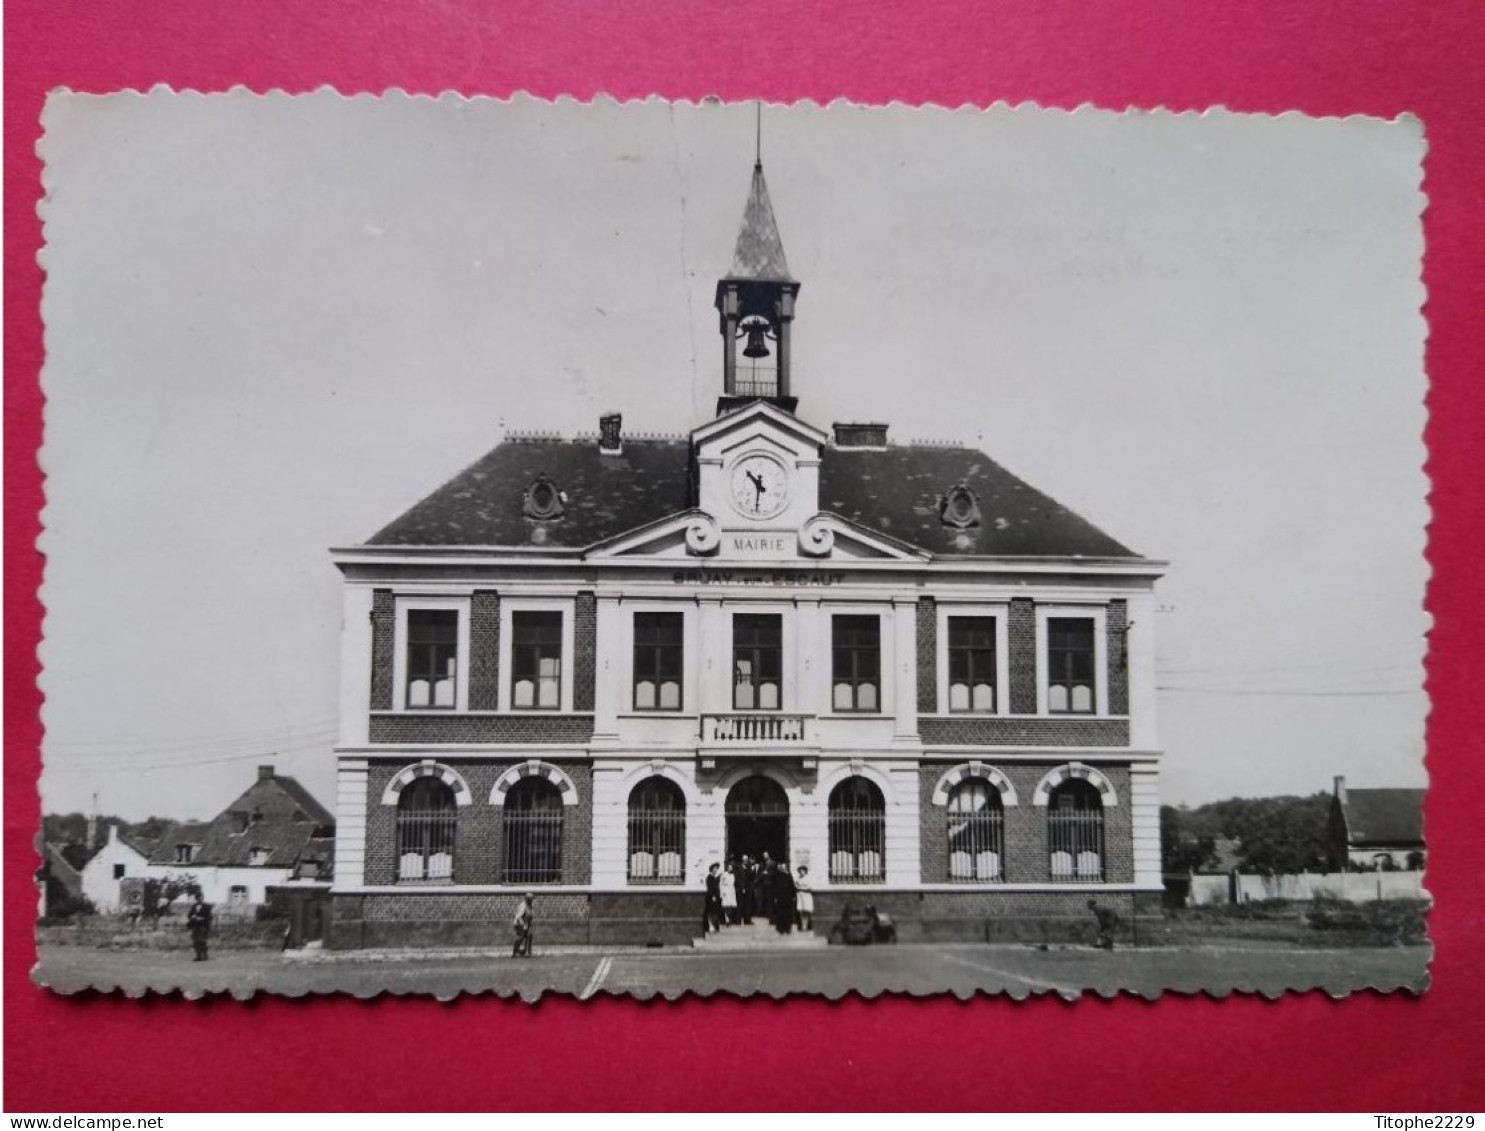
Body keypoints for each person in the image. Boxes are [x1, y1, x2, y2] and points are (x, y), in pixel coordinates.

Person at [185, 892, 212, 962]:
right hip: (195, 926)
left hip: (203, 926)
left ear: (203, 898)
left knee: (202, 941)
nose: (199, 899)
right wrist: (192, 917)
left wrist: (202, 918)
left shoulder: (206, 906)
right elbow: (189, 915)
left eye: (201, 897)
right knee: (195, 941)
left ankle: (205, 955)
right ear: (196, 899)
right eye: (198, 898)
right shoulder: (193, 906)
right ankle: (198, 956)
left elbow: (209, 917)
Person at [771, 861, 796, 935]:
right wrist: (775, 897)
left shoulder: (789, 876)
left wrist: (794, 896)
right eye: (782, 867)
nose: (783, 868)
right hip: (780, 898)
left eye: (784, 867)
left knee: (788, 914)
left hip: (788, 898)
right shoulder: (777, 876)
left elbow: (792, 886)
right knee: (780, 914)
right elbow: (774, 888)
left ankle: (788, 929)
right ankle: (781, 929)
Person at [512, 892, 535, 958]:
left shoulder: (530, 905)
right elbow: (519, 917)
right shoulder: (523, 905)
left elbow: (529, 915)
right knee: (521, 937)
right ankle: (515, 952)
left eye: (532, 899)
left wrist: (529, 923)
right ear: (526, 899)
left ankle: (527, 952)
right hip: (519, 923)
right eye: (530, 899)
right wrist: (523, 925)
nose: (531, 900)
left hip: (526, 924)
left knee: (529, 936)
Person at [703, 863, 723, 934]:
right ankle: (710, 926)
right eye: (714, 868)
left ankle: (713, 926)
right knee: (711, 912)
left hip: (715, 898)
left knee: (714, 912)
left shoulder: (714, 877)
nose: (716, 870)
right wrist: (713, 896)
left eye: (716, 868)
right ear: (711, 869)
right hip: (711, 898)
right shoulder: (709, 878)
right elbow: (710, 888)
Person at [736, 855, 755, 924]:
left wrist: (748, 869)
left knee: (748, 905)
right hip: (741, 888)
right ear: (742, 859)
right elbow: (737, 878)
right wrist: (742, 887)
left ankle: (747, 920)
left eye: (746, 859)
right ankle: (738, 920)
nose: (745, 860)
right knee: (740, 904)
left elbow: (751, 876)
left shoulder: (749, 866)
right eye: (744, 859)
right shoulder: (738, 866)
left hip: (748, 888)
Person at [794, 865, 814, 933]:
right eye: (800, 871)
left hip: (807, 895)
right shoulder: (798, 878)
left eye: (803, 870)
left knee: (806, 911)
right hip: (800, 896)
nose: (801, 872)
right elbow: (795, 885)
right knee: (801, 912)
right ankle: (803, 926)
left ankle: (807, 926)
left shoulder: (808, 878)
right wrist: (798, 888)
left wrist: (801, 888)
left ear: (805, 871)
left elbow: (810, 887)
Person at [719, 862, 739, 926]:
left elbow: (733, 883)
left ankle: (729, 919)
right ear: (727, 868)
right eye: (729, 867)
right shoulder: (724, 874)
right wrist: (722, 892)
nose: (730, 869)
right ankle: (726, 919)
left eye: (731, 868)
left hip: (731, 891)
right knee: (726, 906)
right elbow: (721, 884)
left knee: (730, 906)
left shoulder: (733, 875)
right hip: (726, 890)